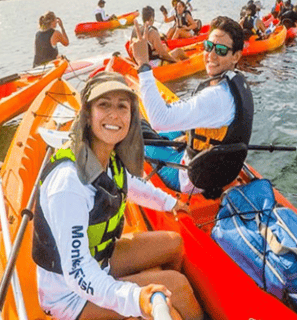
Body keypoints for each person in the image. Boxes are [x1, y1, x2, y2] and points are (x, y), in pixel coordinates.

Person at [32, 71, 204, 320]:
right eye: (104, 105)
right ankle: (165, 298)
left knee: (175, 244)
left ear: (131, 116)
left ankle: (154, 283)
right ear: (88, 115)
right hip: (70, 295)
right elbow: (79, 272)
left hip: (100, 259)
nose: (114, 114)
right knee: (176, 288)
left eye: (122, 107)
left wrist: (170, 203)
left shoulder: (108, 158)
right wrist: (135, 298)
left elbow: (131, 184)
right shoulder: (68, 184)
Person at [130, 16, 254, 195]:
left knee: (136, 137)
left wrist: (143, 64)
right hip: (217, 169)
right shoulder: (235, 82)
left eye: (220, 50)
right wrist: (187, 137)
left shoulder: (216, 97)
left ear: (236, 56)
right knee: (157, 132)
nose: (211, 55)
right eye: (208, 46)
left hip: (191, 178)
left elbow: (159, 119)